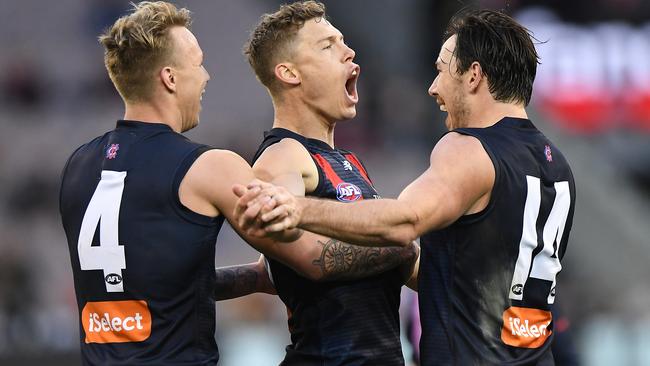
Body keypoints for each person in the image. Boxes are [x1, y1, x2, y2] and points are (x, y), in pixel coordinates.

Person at [59, 2, 415, 364]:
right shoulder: (209, 167)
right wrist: (402, 245)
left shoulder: (78, 166)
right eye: (198, 64)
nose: (206, 77)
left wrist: (259, 276)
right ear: (169, 78)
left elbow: (151, 278)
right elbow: (311, 258)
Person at [235, 8, 576, 366]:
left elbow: (405, 222)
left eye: (442, 69)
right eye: (328, 45)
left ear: (474, 75)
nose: (432, 88)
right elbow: (292, 260)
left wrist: (297, 208)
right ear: (288, 72)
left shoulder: (466, 148)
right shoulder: (555, 164)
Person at [214, 2, 417, 365]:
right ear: (290, 72)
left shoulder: (346, 161)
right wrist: (401, 245)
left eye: (343, 41)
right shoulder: (283, 156)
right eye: (328, 46)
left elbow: (274, 270)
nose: (349, 51)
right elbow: (311, 259)